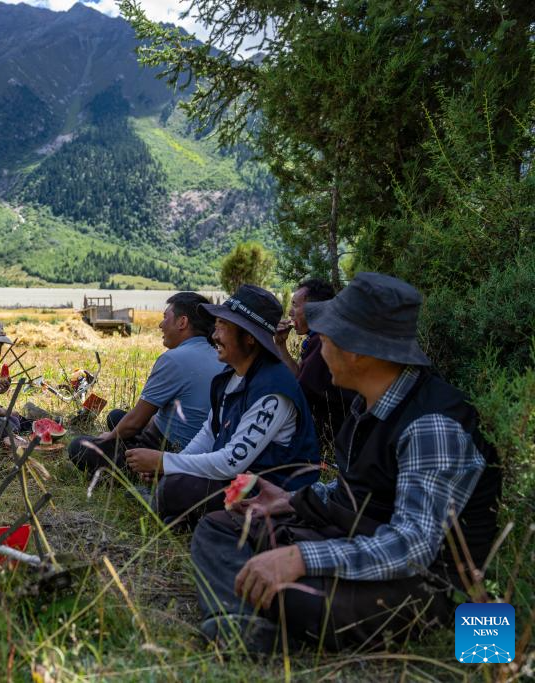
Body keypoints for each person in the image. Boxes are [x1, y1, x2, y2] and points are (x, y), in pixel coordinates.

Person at [189, 273, 501, 651]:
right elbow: (361, 490)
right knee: (220, 529)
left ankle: (258, 621)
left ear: (356, 350)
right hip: (361, 540)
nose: (318, 350)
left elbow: (412, 548)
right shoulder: (367, 403)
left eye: (326, 339)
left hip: (420, 586)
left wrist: (302, 557)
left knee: (288, 589)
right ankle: (246, 624)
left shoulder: (431, 426)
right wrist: (289, 501)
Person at [125, 285, 320, 527]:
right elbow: (210, 432)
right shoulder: (231, 375)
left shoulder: (274, 391)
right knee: (175, 486)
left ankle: (186, 513)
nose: (214, 336)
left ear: (249, 337)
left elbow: (231, 462)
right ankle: (186, 515)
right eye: (216, 326)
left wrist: (165, 462)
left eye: (223, 327)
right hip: (240, 480)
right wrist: (171, 467)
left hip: (272, 492)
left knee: (176, 489)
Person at [68, 292, 223, 475]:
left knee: (78, 446)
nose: (160, 325)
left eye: (166, 318)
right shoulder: (219, 356)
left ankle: (137, 474)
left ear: (182, 322)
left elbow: (135, 423)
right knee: (116, 416)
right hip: (202, 448)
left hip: (170, 452)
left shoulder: (174, 359)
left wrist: (108, 438)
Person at [274, 278, 354, 446]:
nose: (289, 313)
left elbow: (298, 394)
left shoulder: (323, 341)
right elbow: (300, 378)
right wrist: (281, 344)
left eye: (295, 305)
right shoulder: (318, 338)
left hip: (332, 441)